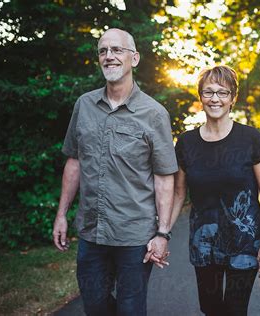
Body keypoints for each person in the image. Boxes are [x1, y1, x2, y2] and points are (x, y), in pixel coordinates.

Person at [52, 28, 177, 316]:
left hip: (135, 236)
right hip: (91, 232)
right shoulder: (84, 105)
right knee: (94, 305)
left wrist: (163, 233)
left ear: (134, 58)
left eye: (117, 50)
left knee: (131, 309)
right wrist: (61, 214)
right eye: (103, 51)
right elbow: (74, 161)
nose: (109, 56)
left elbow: (164, 176)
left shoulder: (154, 114)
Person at [170, 65, 260, 316]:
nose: (214, 98)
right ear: (200, 97)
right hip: (203, 245)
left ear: (232, 99)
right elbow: (178, 193)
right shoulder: (186, 143)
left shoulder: (251, 139)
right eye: (208, 92)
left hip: (244, 243)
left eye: (222, 92)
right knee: (210, 309)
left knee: (235, 310)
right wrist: (162, 232)